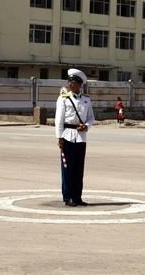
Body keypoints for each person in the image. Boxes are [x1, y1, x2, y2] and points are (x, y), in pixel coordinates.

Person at [55, 68, 95, 207]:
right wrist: (59, 137)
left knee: (79, 169)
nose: (70, 85)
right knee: (67, 169)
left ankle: (77, 197)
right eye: (70, 82)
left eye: (74, 82)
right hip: (67, 136)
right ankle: (68, 197)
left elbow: (91, 118)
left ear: (80, 84)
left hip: (81, 137)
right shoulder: (63, 99)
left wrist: (86, 126)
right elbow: (59, 120)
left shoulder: (86, 100)